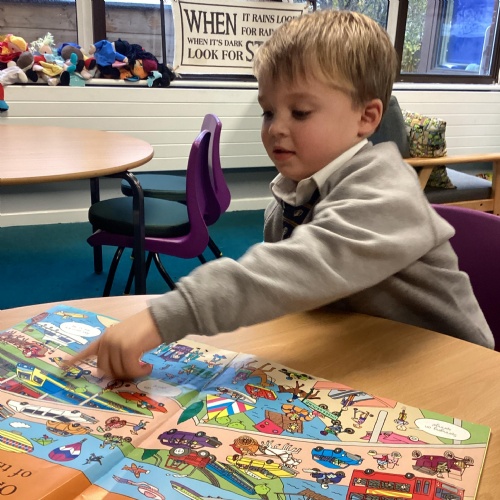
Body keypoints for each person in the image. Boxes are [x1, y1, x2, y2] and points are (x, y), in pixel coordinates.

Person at [71, 10, 494, 379]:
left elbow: (293, 270)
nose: (276, 128)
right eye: (268, 111)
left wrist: (162, 318)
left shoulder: (386, 193)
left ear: (366, 117)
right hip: (365, 350)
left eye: (301, 112)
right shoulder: (290, 196)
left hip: (454, 370)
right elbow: (296, 295)